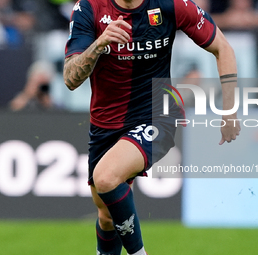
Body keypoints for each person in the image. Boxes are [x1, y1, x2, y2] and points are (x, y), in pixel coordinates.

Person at [63, 0, 240, 254]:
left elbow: (223, 47)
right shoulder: (89, 8)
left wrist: (229, 110)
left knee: (106, 178)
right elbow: (70, 78)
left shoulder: (171, 5)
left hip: (159, 113)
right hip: (105, 123)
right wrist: (99, 44)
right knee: (106, 215)